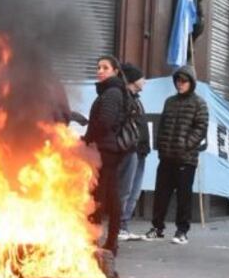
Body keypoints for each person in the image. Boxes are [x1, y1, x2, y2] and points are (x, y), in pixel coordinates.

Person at [144, 65, 209, 245]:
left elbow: (201, 129)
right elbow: (162, 125)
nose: (180, 84)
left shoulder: (199, 103)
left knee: (183, 197)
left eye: (184, 81)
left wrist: (185, 146)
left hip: (186, 160)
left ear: (191, 82)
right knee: (161, 195)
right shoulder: (169, 101)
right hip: (166, 157)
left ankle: (182, 231)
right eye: (178, 81)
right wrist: (161, 147)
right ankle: (157, 228)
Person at [83, 55, 129, 255]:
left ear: (115, 71)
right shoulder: (112, 91)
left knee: (100, 196)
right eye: (98, 67)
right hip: (108, 150)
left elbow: (105, 122)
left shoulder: (112, 93)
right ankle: (110, 242)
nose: (100, 71)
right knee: (110, 195)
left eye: (105, 68)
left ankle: (97, 240)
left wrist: (87, 139)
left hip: (105, 151)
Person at [117, 63, 150, 242]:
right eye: (141, 77)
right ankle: (119, 226)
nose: (144, 81)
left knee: (134, 191)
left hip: (140, 151)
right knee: (125, 190)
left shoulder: (136, 99)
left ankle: (124, 225)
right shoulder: (125, 98)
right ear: (132, 79)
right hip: (130, 151)